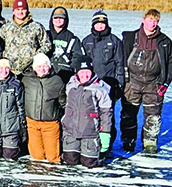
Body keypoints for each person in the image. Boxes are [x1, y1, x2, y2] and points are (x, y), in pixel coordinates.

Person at [120, 9, 172, 154]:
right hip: (132, 82)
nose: (152, 24)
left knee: (153, 115)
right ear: (143, 20)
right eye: (150, 20)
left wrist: (165, 83)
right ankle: (128, 140)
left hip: (154, 84)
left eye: (155, 21)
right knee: (129, 113)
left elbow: (170, 64)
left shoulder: (165, 42)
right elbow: (122, 58)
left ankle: (150, 142)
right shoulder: (131, 38)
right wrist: (124, 79)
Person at [82, 9, 124, 149]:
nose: (100, 26)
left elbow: (120, 63)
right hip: (91, 84)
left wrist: (119, 85)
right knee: (91, 114)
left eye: (102, 24)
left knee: (107, 115)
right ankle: (91, 142)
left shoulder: (115, 41)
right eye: (97, 24)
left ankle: (107, 145)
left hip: (108, 84)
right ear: (93, 24)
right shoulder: (86, 41)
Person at [61, 56, 112, 167]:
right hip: (72, 131)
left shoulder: (100, 88)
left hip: (90, 131)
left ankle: (99, 154)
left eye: (87, 72)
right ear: (77, 73)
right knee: (70, 160)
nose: (85, 75)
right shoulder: (70, 86)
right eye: (82, 72)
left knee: (89, 163)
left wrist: (105, 133)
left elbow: (106, 112)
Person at [22, 53, 66, 163]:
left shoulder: (57, 80)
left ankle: (54, 176)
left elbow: (63, 101)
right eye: (39, 66)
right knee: (37, 156)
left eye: (45, 66)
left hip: (50, 123)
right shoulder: (26, 80)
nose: (42, 69)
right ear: (34, 68)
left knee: (52, 157)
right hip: (32, 122)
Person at [0, 0, 51, 75]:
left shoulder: (36, 27)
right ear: (13, 11)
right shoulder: (6, 28)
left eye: (23, 9)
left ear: (27, 10)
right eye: (18, 9)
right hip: (10, 71)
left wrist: (36, 55)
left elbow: (47, 44)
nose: (20, 12)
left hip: (30, 70)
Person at [47, 6, 84, 83]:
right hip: (47, 74)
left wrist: (70, 67)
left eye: (61, 18)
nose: (58, 20)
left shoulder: (72, 38)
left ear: (65, 20)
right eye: (56, 18)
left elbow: (78, 57)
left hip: (65, 75)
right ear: (52, 19)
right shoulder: (45, 35)